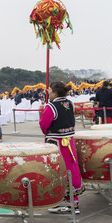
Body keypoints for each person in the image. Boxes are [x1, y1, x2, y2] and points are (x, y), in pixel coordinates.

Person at [40, 81, 84, 214]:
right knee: (71, 167)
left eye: (49, 90)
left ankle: (59, 201)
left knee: (57, 170)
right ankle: (73, 201)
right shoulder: (70, 103)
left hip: (56, 143)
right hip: (69, 141)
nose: (47, 92)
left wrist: (48, 132)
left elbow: (43, 124)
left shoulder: (52, 106)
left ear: (55, 92)